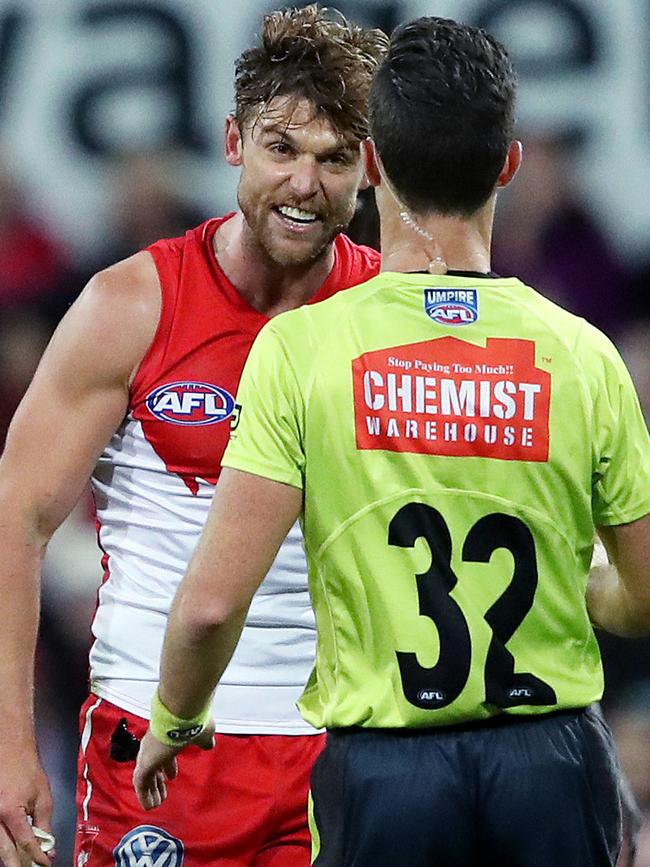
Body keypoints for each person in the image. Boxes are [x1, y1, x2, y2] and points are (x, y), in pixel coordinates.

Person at [133, 15, 650, 867]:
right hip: (553, 763)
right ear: (508, 164)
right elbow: (642, 590)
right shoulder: (582, 353)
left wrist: (176, 717)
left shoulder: (304, 348)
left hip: (385, 775)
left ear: (370, 164)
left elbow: (211, 603)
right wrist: (587, 589)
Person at [0, 6, 387, 866]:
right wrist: (9, 743)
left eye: (333, 159)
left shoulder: (389, 319)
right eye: (281, 148)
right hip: (157, 753)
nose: (304, 184)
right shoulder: (131, 306)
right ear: (231, 143)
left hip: (344, 748)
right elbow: (16, 517)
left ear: (370, 170)